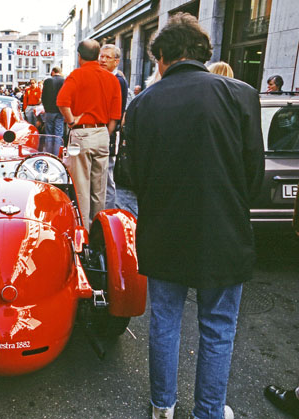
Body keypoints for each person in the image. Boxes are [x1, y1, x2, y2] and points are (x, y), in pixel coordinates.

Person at [124, 13, 264, 419]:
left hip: (164, 228)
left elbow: (130, 174)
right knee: (218, 327)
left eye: (156, 61)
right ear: (203, 54)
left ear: (164, 57)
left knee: (164, 322)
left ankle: (162, 405)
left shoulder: (143, 103)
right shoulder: (240, 94)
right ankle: (208, 412)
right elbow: (253, 172)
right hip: (223, 229)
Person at [56, 39, 122, 229]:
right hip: (102, 133)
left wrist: (71, 121)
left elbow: (62, 102)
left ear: (79, 56)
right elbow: (115, 115)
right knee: (99, 187)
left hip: (81, 135)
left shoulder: (77, 75)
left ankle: (83, 231)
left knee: (81, 186)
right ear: (97, 56)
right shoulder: (112, 78)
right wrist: (104, 133)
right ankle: (98, 230)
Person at [99, 44, 129, 210]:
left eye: (107, 57)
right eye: (101, 56)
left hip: (108, 135)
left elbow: (116, 114)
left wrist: (107, 134)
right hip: (101, 133)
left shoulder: (118, 80)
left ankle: (108, 212)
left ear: (116, 61)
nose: (102, 60)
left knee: (107, 176)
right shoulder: (103, 77)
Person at [41, 67, 65, 155]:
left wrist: (45, 108)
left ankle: (48, 154)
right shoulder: (64, 81)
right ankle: (56, 155)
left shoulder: (47, 81)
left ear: (52, 72)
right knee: (58, 134)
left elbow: (43, 97)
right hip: (60, 110)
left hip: (49, 111)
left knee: (49, 134)